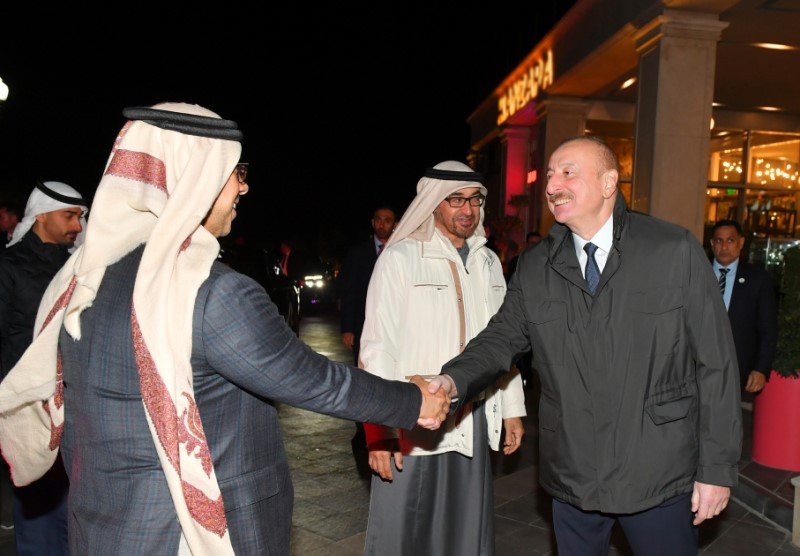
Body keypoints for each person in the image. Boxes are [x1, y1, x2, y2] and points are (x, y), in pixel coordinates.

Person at [0, 102, 450, 556]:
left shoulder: (83, 278)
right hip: (188, 535)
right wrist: (413, 400)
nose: (244, 186)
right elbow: (315, 380)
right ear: (195, 176)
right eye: (236, 172)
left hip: (103, 527)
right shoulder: (210, 291)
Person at [429, 136, 742, 555]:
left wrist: (716, 469)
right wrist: (451, 381)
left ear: (609, 182)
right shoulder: (537, 266)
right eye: (550, 175)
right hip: (573, 472)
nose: (552, 185)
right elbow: (500, 338)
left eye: (568, 172)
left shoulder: (671, 249)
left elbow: (716, 363)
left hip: (657, 471)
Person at [360, 160, 526, 555]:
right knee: (404, 532)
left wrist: (512, 408)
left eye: (474, 200)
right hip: (412, 425)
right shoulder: (401, 258)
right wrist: (379, 432)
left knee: (464, 532)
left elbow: (505, 341)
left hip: (472, 419)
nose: (468, 209)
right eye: (456, 200)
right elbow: (377, 348)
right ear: (434, 202)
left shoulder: (489, 263)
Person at [0, 180, 88, 555]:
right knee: (38, 509)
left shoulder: (76, 265)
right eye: (69, 216)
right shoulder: (9, 267)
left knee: (73, 508)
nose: (78, 226)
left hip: (73, 404)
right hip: (28, 407)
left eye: (80, 217)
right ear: (42, 215)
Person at [338, 203, 397, 463]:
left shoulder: (400, 250)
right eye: (379, 220)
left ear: (394, 224)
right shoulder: (358, 253)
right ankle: (364, 429)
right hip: (363, 328)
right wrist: (348, 328)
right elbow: (348, 292)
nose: (383, 224)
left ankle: (389, 423)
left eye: (388, 220)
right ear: (373, 223)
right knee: (363, 377)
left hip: (393, 328)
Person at [710, 219, 777, 403]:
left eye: (730, 240)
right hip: (696, 366)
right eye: (719, 240)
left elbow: (768, 330)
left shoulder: (758, 279)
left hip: (737, 368)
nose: (724, 247)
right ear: (712, 243)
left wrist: (760, 369)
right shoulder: (697, 274)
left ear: (741, 242)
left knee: (726, 416)